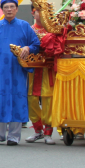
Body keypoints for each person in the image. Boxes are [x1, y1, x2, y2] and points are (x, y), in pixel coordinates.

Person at [0, 0, 40, 145]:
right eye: (6, 7)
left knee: (17, 99)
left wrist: (28, 48)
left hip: (17, 70)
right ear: (2, 10)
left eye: (12, 7)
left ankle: (14, 136)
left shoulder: (25, 26)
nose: (9, 10)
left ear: (17, 9)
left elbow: (36, 43)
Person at [26, 10, 56, 144]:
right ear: (33, 13)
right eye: (38, 11)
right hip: (32, 71)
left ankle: (48, 132)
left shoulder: (53, 30)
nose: (41, 14)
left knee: (48, 100)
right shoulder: (29, 30)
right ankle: (37, 130)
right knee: (31, 100)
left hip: (48, 70)